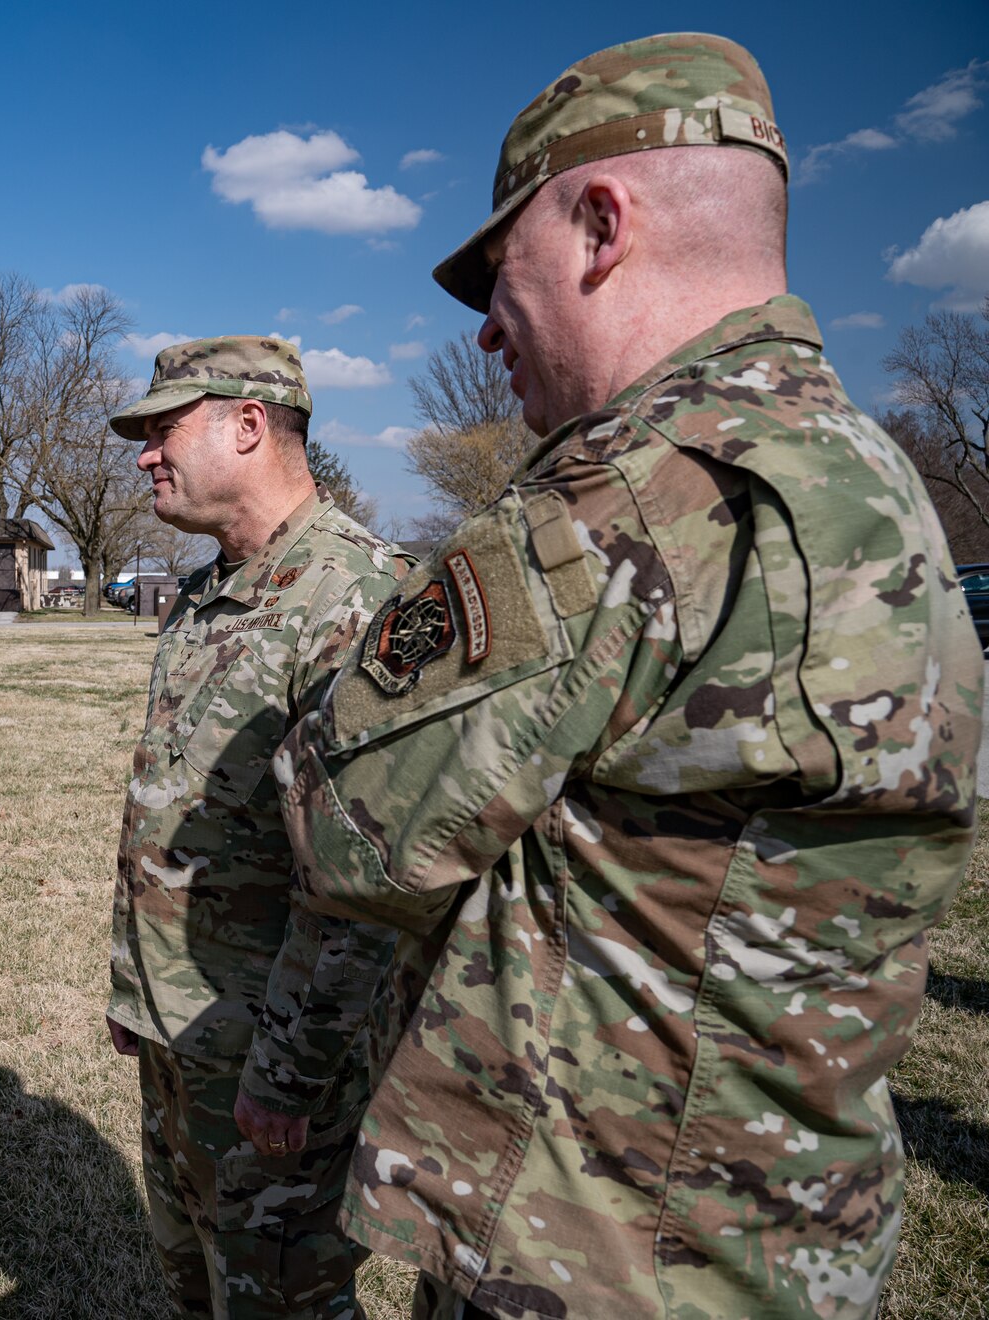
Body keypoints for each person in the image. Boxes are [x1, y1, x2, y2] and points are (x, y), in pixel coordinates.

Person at [245, 33, 982, 1320]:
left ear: (598, 223)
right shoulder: (868, 476)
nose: (482, 332)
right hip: (785, 1241)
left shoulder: (635, 495)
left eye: (495, 273)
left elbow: (351, 825)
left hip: (590, 1253)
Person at [104, 337, 407, 1318]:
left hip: (273, 1070)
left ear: (247, 425)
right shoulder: (202, 598)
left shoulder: (359, 597)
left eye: (163, 430)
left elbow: (367, 881)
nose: (143, 454)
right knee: (190, 1279)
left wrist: (286, 1075)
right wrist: (135, 992)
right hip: (181, 1033)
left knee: (281, 1300)